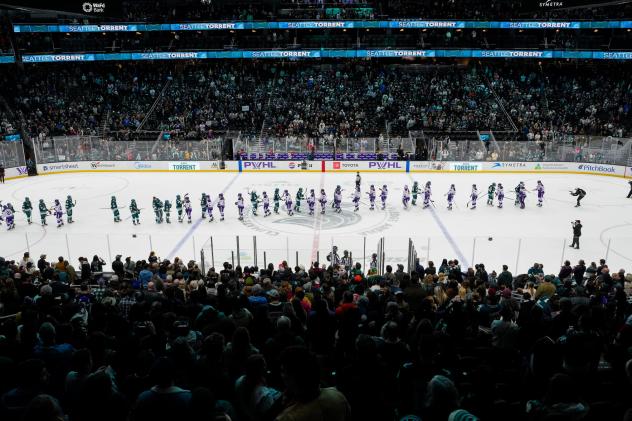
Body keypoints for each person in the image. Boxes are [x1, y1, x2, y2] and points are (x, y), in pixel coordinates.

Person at [275, 346, 350, 421]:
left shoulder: (287, 417)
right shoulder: (338, 396)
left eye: (283, 371)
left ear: (293, 377)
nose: (282, 376)